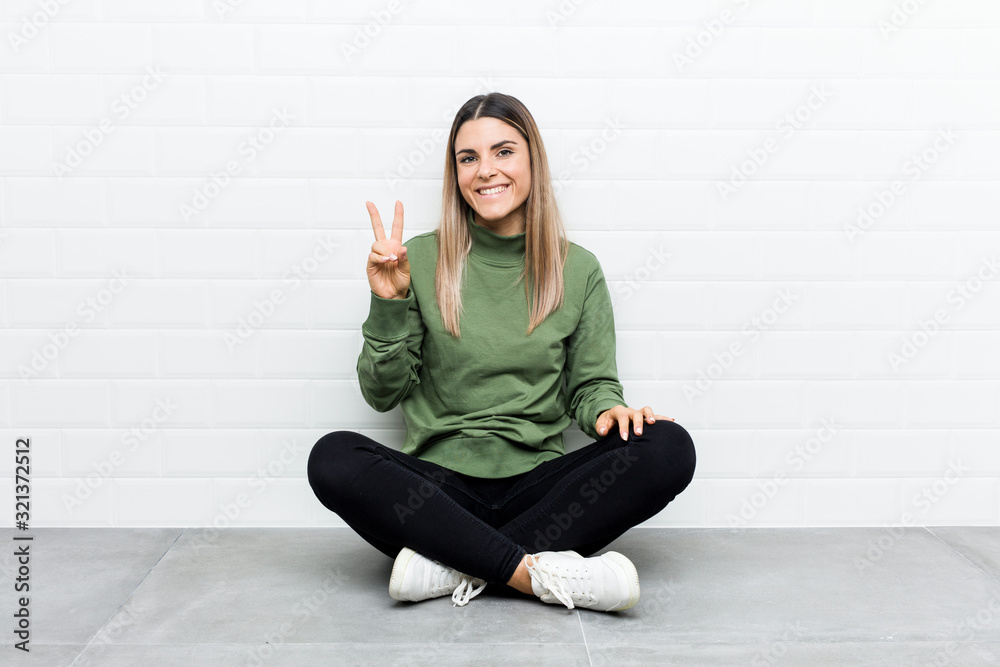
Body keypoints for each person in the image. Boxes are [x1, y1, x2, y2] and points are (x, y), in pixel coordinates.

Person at [307, 92, 696, 612]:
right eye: (468, 158)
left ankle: (453, 563)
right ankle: (533, 574)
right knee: (331, 457)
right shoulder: (417, 259)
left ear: (533, 160)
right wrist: (388, 302)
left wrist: (610, 411)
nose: (485, 170)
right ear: (456, 174)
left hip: (541, 490)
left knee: (669, 446)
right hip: (439, 495)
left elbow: (592, 386)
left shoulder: (578, 269)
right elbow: (382, 395)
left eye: (504, 152)